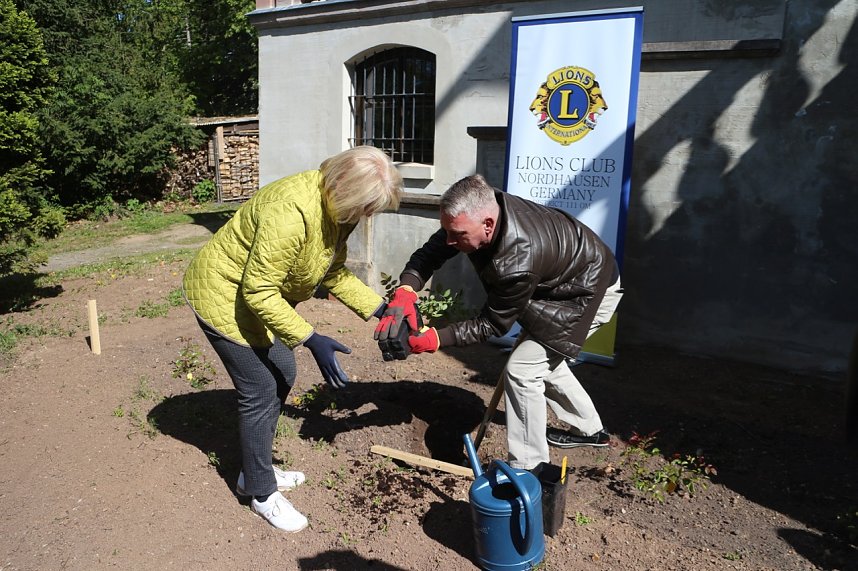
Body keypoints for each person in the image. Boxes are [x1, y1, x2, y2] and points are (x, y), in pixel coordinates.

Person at [183, 146, 402, 531]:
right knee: (259, 387)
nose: (365, 215)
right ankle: (262, 494)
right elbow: (258, 290)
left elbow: (333, 273)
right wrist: (311, 338)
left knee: (283, 372)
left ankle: (256, 471)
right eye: (364, 207)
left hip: (257, 298)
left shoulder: (338, 210)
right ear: (344, 187)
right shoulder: (291, 211)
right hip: (223, 295)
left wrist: (381, 309)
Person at [376, 174, 622, 471]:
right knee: (541, 359)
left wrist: (436, 339)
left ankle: (529, 469)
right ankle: (590, 430)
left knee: (523, 370)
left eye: (458, 235)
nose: (450, 241)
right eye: (448, 231)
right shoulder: (478, 208)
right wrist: (406, 289)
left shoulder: (516, 260)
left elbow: (492, 324)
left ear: (488, 226)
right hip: (558, 281)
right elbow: (432, 252)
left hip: (586, 294)